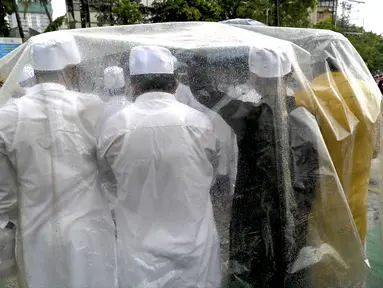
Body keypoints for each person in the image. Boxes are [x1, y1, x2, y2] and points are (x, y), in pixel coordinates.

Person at [188, 47, 319, 288]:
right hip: (295, 212)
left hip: (254, 212)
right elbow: (313, 173)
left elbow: (204, 92)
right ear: (289, 75)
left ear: (254, 78)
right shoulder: (306, 114)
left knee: (256, 270)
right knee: (291, 268)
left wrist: (200, 52)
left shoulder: (248, 115)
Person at [98, 45, 221, 288]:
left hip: (138, 250)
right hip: (195, 246)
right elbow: (212, 172)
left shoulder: (116, 125)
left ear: (132, 84)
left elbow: (108, 179)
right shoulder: (199, 122)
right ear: (175, 83)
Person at [0, 34, 116, 288]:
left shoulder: (8, 116)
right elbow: (109, 168)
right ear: (71, 68)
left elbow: (5, 194)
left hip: (36, 230)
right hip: (89, 228)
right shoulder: (91, 106)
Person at [295, 57, 381, 245]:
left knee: (322, 257)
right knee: (352, 253)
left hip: (318, 199)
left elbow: (297, 154)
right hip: (356, 198)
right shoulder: (370, 94)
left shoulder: (305, 95)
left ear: (317, 65)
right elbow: (375, 150)